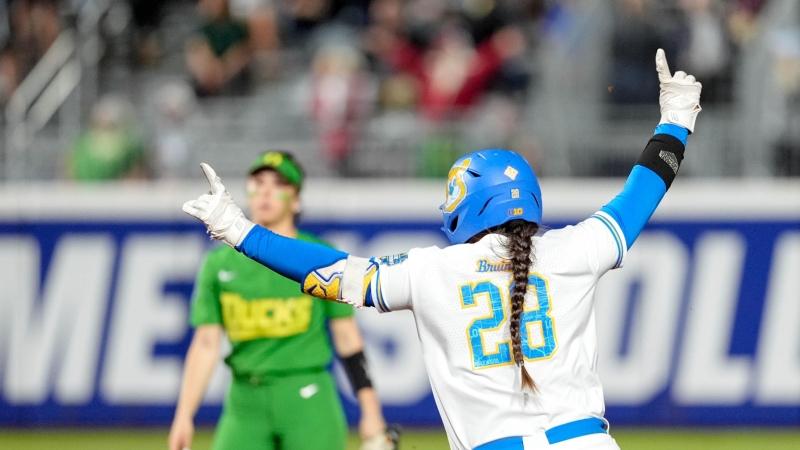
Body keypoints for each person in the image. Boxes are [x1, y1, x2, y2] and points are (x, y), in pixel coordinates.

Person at [182, 49, 702, 450]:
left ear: (468, 203)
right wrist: (675, 121)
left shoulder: (432, 270)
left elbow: (332, 273)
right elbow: (639, 197)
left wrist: (240, 231)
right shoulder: (575, 249)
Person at [169, 151, 394, 450]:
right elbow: (206, 343)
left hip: (307, 398)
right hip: (245, 401)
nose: (265, 191)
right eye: (258, 182)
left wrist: (371, 409)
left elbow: (347, 338)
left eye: (279, 184)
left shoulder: (317, 258)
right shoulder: (218, 264)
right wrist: (184, 415)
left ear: (296, 200)